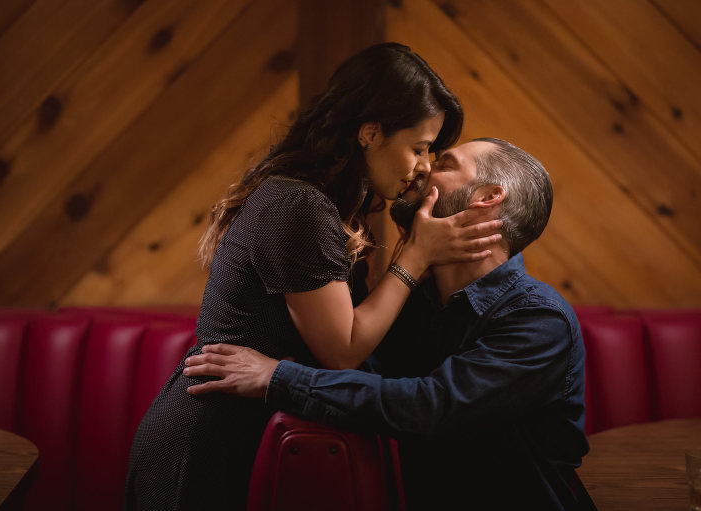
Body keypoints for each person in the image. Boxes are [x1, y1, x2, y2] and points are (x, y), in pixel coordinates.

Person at [125, 43, 502, 510]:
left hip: (246, 435)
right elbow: (342, 351)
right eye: (419, 148)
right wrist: (416, 257)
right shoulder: (299, 206)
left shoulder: (323, 203)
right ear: (369, 133)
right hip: (206, 441)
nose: (424, 167)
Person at [184, 138, 596, 510]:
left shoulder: (538, 317)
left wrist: (279, 377)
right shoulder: (417, 304)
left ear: (486, 198)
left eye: (444, 163)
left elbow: (433, 407)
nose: (421, 169)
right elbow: (361, 371)